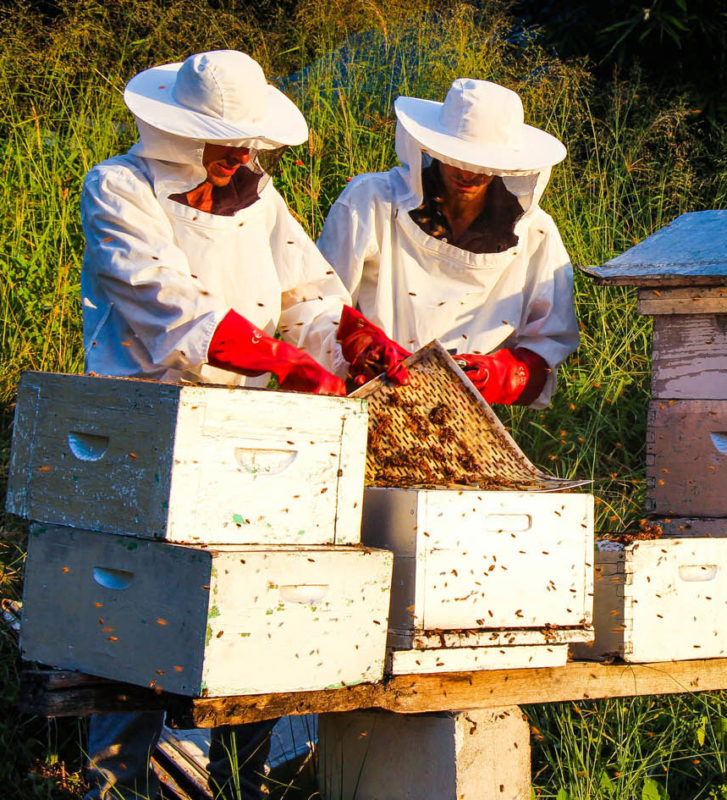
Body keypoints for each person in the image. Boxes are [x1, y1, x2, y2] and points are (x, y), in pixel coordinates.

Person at [79, 49, 362, 800]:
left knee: (257, 606)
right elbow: (167, 305)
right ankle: (116, 785)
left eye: (245, 140)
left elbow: (307, 292)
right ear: (175, 131)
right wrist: (289, 363)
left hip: (256, 429)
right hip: (150, 419)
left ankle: (250, 779)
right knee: (137, 612)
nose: (239, 155)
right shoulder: (119, 187)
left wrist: (354, 337)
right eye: (221, 139)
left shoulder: (258, 198)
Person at [317, 78, 579, 407]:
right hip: (365, 393)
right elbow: (318, 300)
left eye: (482, 165)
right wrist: (359, 343)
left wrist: (499, 374)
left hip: (464, 413)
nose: (468, 173)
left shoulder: (536, 232)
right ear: (433, 146)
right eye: (458, 158)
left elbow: (551, 338)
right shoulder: (371, 200)